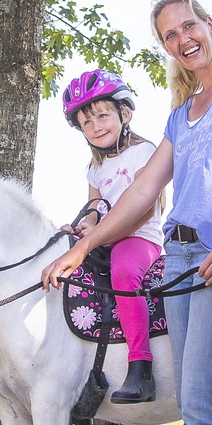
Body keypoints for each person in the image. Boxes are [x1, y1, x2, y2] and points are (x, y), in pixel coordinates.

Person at [43, 0, 212, 425]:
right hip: (179, 255)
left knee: (203, 402)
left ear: (209, 22)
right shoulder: (182, 116)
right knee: (194, 405)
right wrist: (80, 240)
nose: (183, 41)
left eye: (188, 27)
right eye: (169, 37)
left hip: (203, 252)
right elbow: (124, 197)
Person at [60, 69, 163, 404]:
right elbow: (93, 206)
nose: (96, 127)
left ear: (124, 113)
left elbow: (143, 209)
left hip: (139, 237)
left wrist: (101, 235)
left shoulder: (144, 152)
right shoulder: (94, 168)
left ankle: (141, 365)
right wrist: (82, 225)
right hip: (104, 237)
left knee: (123, 272)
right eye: (87, 123)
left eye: (103, 116)